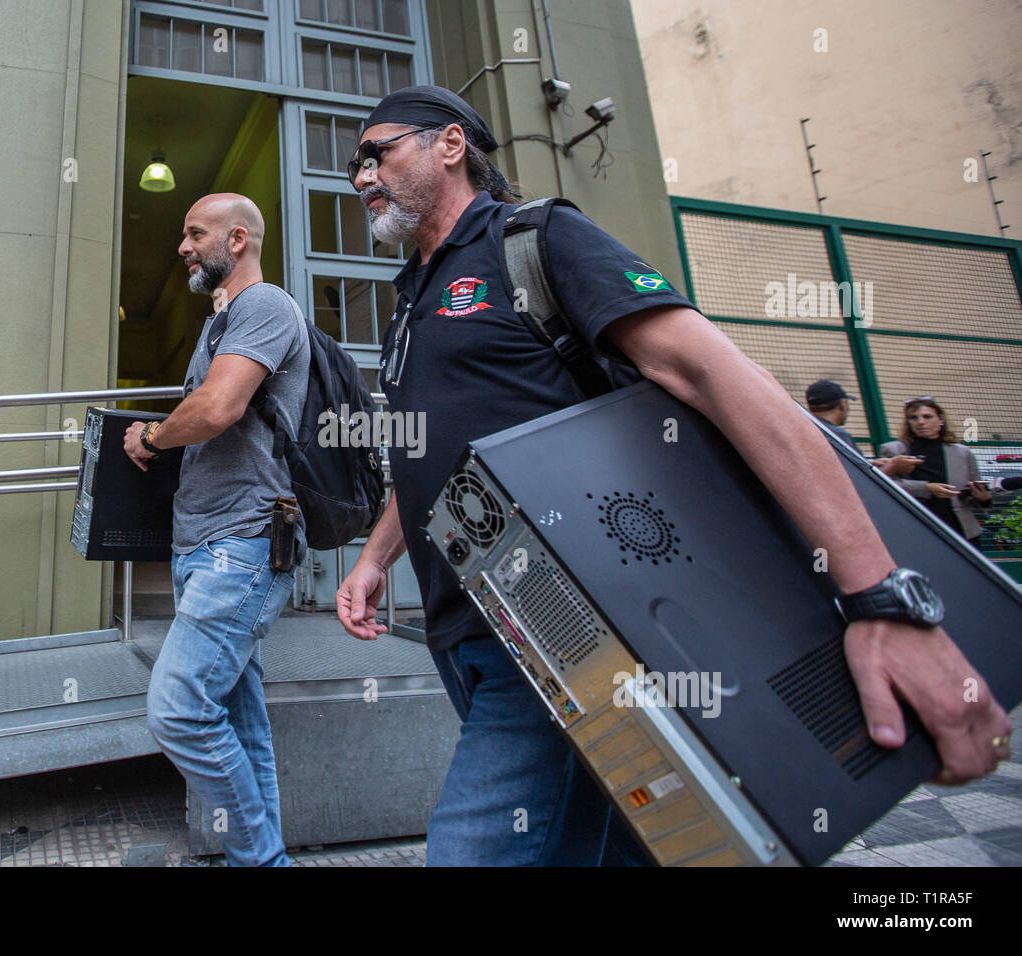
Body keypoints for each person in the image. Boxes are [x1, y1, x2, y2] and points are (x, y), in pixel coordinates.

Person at [334, 85, 1011, 866]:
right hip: (462, 630)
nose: (360, 177)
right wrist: (376, 556)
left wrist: (881, 597)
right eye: (355, 165)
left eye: (374, 154)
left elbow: (719, 376)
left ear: (450, 144)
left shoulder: (537, 238)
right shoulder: (407, 299)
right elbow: (434, 449)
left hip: (562, 628)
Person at [123, 192, 310, 866]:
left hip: (244, 542)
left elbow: (218, 407)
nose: (182, 247)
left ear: (237, 239)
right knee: (238, 719)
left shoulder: (264, 306)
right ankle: (257, 858)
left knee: (178, 709)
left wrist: (151, 433)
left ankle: (260, 860)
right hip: (205, 544)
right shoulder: (219, 323)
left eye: (193, 233)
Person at [879, 397, 993, 549]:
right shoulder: (894, 450)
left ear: (941, 420)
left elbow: (972, 494)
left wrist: (983, 499)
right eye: (913, 418)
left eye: (927, 416)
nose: (920, 422)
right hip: (917, 528)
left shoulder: (962, 452)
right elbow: (885, 485)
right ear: (908, 423)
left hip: (961, 530)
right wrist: (927, 488)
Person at [805, 378, 919, 478]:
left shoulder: (806, 430)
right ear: (842, 404)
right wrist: (892, 468)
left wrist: (869, 463)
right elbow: (857, 480)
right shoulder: (837, 435)